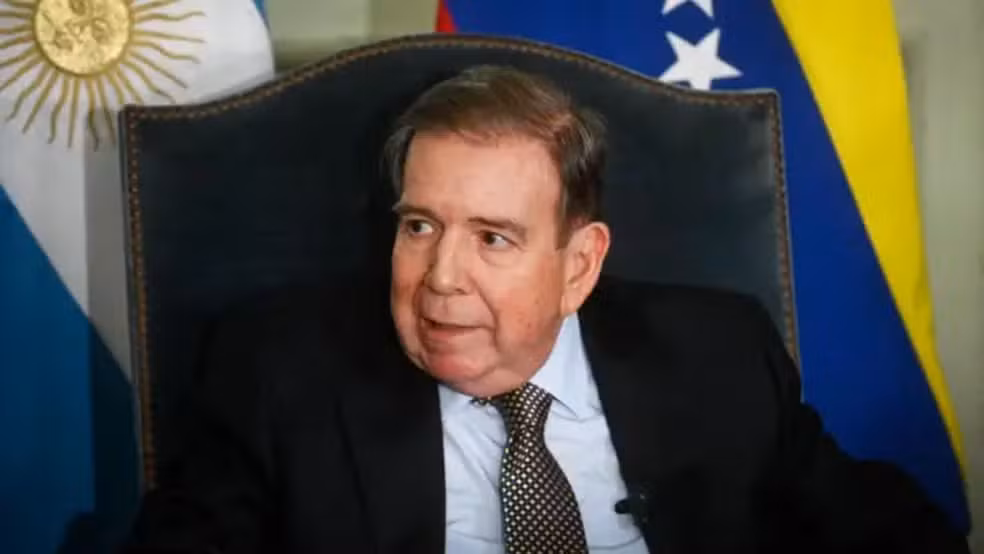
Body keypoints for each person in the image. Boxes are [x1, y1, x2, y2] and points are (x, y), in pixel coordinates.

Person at [124, 66, 968, 554]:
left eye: (493, 238)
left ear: (579, 265)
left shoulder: (718, 355)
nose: (440, 278)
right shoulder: (279, 371)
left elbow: (889, 533)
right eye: (420, 226)